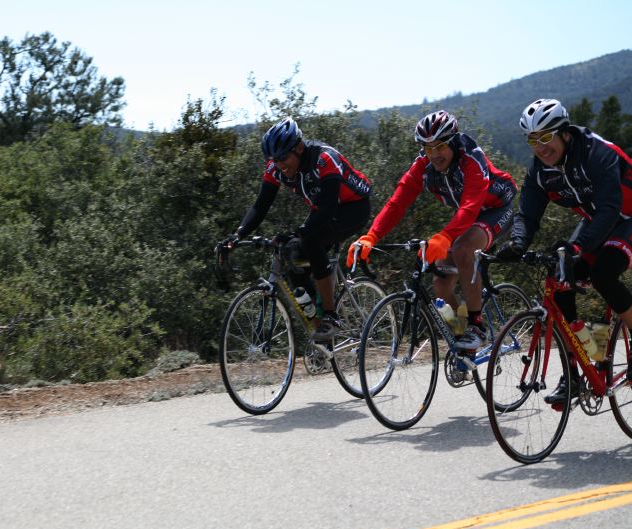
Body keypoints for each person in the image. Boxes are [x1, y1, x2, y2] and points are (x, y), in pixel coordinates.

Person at [495, 98, 632, 404]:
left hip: (625, 216)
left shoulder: (597, 153)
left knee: (603, 274)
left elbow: (610, 208)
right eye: (533, 140)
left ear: (565, 133)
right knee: (560, 284)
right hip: (599, 223)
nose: (540, 147)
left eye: (546, 137)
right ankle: (579, 370)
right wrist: (517, 243)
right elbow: (527, 216)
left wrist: (578, 247)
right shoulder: (540, 172)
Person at [348, 110, 517, 350]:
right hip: (467, 215)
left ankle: (476, 326)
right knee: (441, 282)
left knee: (462, 249)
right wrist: (371, 236)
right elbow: (398, 202)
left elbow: (470, 206)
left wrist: (445, 237)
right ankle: (463, 340)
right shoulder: (423, 165)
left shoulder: (471, 159)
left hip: (496, 209)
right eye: (428, 148)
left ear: (453, 141)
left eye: (439, 147)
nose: (434, 155)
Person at [220, 116, 372, 341]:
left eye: (283, 157)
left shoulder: (323, 159)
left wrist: (300, 232)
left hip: (352, 207)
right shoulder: (276, 167)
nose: (280, 165)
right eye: (274, 159)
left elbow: (329, 208)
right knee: (293, 257)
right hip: (323, 208)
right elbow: (260, 206)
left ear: (299, 148)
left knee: (309, 239)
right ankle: (319, 328)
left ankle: (331, 316)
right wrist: (237, 235)